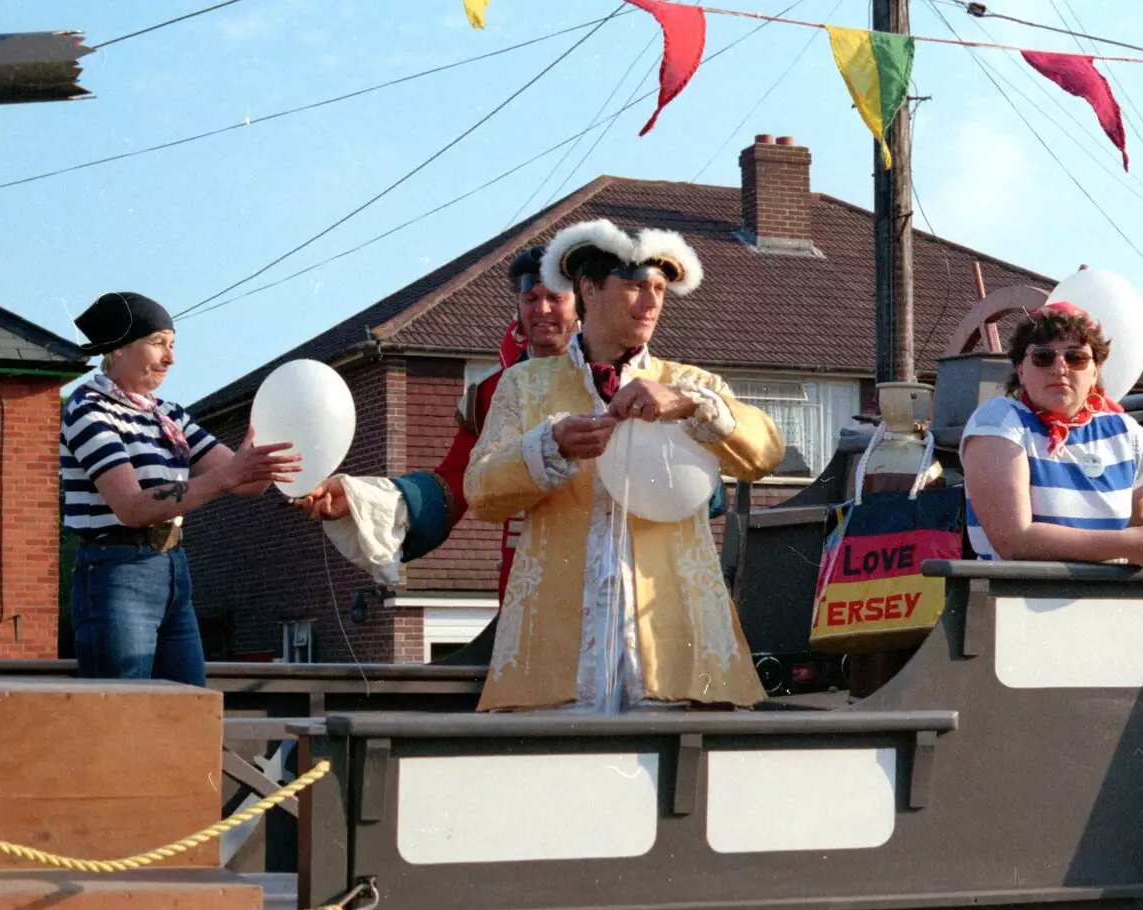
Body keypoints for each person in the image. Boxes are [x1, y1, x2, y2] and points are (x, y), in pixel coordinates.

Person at [464, 219, 785, 713]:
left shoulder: (690, 382)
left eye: (658, 288)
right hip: (555, 656)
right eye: (635, 287)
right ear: (588, 289)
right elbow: (480, 491)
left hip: (674, 649)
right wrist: (549, 445)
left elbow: (766, 454)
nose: (652, 302)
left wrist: (688, 404)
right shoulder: (524, 386)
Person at [296, 248, 576, 592]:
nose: (542, 309)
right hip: (527, 579)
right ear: (518, 306)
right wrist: (359, 498)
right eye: (531, 297)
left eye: (555, 297)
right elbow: (455, 482)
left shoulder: (614, 380)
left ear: (582, 304)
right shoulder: (492, 391)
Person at [61, 291, 301, 685]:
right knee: (123, 717)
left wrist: (290, 449)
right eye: (158, 343)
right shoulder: (89, 409)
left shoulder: (169, 414)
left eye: (172, 345)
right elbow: (132, 507)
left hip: (172, 569)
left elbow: (248, 484)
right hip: (115, 571)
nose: (171, 358)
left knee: (187, 710)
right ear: (119, 349)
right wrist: (229, 476)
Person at [959, 301, 1143, 568]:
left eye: (1075, 357)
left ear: (1095, 371)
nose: (1060, 367)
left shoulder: (1129, 436)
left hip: (1111, 605)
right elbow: (1014, 541)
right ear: (1020, 370)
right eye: (1043, 357)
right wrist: (1130, 544)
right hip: (1012, 604)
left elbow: (1140, 530)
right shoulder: (999, 420)